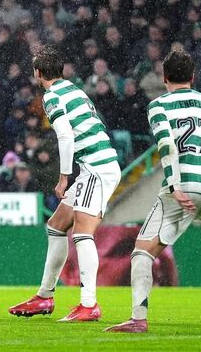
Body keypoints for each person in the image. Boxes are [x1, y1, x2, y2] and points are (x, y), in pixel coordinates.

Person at [105, 49, 201, 334]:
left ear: (164, 78)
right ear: (193, 77)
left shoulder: (159, 105)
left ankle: (138, 319)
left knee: (141, 253)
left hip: (184, 186)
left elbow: (167, 145)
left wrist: (176, 186)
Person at [8, 45, 121, 322]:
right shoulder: (75, 90)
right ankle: (45, 297)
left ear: (37, 72)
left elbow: (66, 137)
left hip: (96, 168)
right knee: (56, 225)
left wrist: (63, 178)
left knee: (83, 233)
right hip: (94, 166)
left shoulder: (53, 96)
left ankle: (89, 304)